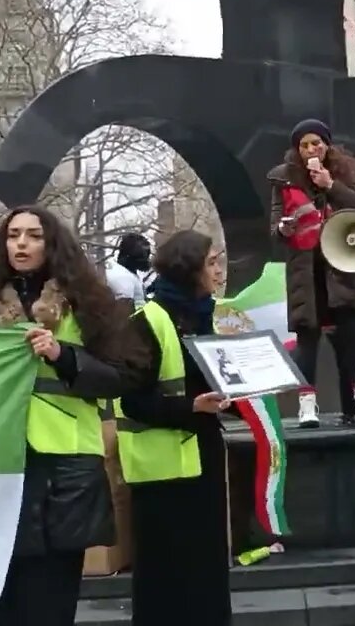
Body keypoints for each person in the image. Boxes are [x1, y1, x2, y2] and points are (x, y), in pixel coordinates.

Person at [0, 204, 126, 626]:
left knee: (52, 595)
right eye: (13, 235)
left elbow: (119, 376)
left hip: (69, 464)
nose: (21, 244)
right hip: (3, 460)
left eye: (32, 235)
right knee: (5, 594)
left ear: (51, 243)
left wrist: (62, 354)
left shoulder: (88, 303)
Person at [115, 230, 233, 626]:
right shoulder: (148, 320)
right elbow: (131, 399)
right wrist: (190, 407)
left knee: (207, 576)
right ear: (190, 269)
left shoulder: (206, 315)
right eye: (212, 262)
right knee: (165, 584)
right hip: (162, 473)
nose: (218, 271)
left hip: (203, 457)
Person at [268, 118, 355, 427]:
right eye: (304, 145)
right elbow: (274, 227)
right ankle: (307, 403)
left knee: (349, 340)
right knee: (308, 341)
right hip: (306, 270)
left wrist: (330, 185)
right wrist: (283, 227)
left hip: (340, 269)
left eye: (316, 143)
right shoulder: (282, 179)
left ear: (327, 146)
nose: (310, 149)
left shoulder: (341, 175)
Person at [106, 232, 151, 308]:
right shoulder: (122, 277)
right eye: (142, 254)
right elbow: (124, 313)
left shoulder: (130, 273)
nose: (146, 258)